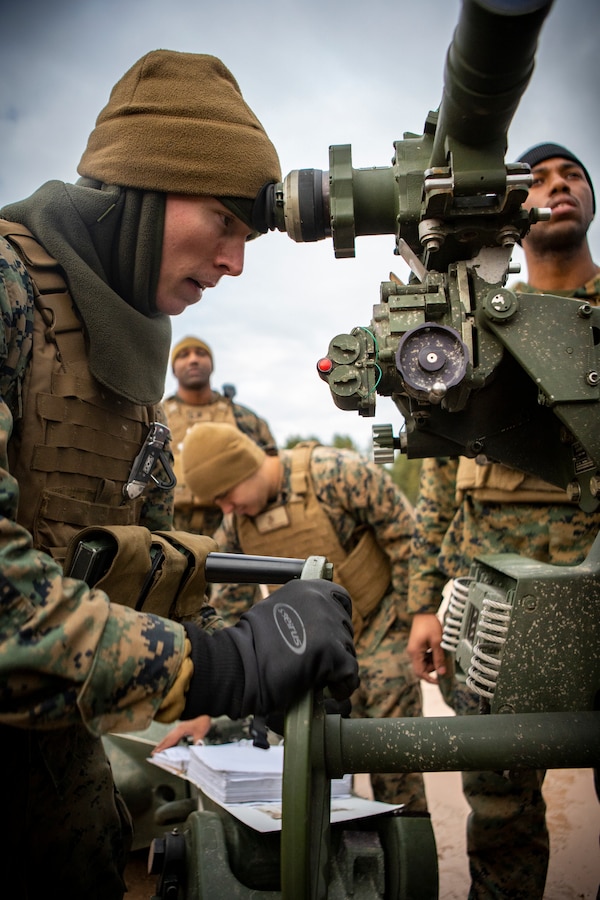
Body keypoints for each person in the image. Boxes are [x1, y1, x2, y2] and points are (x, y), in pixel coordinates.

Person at [0, 49, 359, 899]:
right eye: (227, 224)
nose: (236, 264)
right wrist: (218, 664)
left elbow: (131, 560)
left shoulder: (115, 357)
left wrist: (270, 644)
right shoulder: (10, 290)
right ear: (147, 185)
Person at [406, 142, 600, 900]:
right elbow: (437, 481)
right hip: (496, 611)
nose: (557, 188)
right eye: (540, 181)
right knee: (498, 802)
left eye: (573, 177)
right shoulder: (476, 332)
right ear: (513, 210)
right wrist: (425, 602)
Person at [159, 420, 428, 812]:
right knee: (324, 776)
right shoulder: (237, 526)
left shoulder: (337, 473)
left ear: (245, 465)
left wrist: (419, 613)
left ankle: (409, 857)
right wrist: (208, 706)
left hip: (381, 628)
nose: (227, 509)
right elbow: (229, 609)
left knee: (397, 767)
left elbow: (407, 536)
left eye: (226, 494)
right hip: (317, 651)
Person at [164, 335, 277, 534]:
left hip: (235, 529)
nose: (193, 359)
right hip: (170, 531)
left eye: (200, 353)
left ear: (212, 364)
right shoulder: (157, 418)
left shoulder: (244, 418)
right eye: (183, 355)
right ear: (173, 368)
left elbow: (270, 474)